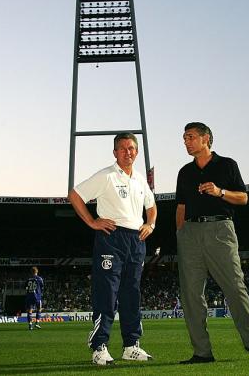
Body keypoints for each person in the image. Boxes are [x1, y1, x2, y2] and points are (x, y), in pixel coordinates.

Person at [175, 122, 249, 364]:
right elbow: (181, 206)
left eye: (190, 137)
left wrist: (219, 192)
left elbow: (243, 197)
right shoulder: (184, 172)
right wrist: (181, 234)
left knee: (235, 288)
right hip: (190, 234)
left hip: (220, 230)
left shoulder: (227, 164)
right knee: (191, 295)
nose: (186, 141)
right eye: (184, 138)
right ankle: (202, 352)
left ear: (206, 138)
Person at [68, 133, 157, 366]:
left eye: (131, 148)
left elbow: (152, 205)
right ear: (115, 152)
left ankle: (131, 346)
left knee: (132, 294)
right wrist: (92, 221)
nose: (128, 152)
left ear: (136, 152)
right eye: (122, 148)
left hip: (136, 240)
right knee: (107, 293)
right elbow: (75, 195)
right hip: (111, 237)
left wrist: (151, 224)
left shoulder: (139, 179)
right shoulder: (106, 176)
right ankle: (99, 347)